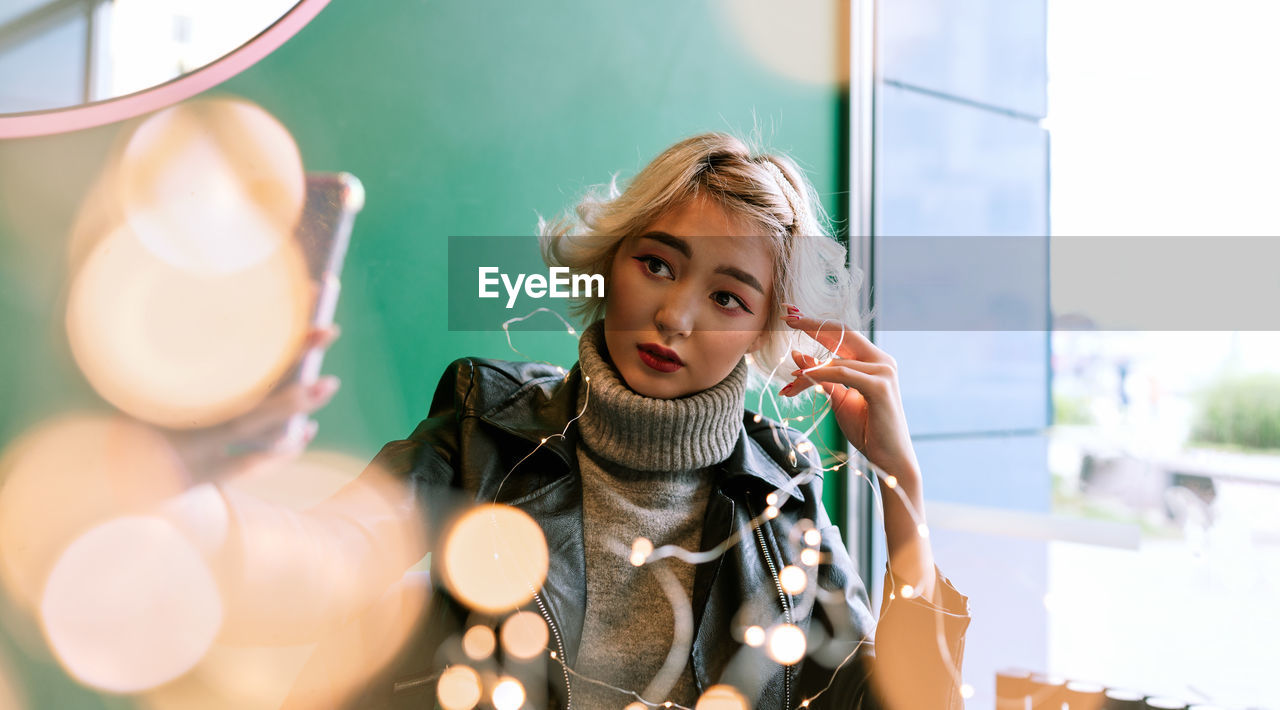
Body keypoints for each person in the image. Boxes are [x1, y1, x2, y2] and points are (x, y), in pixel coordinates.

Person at [175, 132, 970, 709]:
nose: (674, 314)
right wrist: (197, 492)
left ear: (766, 328)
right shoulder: (484, 424)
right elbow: (323, 562)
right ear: (609, 263)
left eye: (727, 296)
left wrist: (904, 490)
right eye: (655, 262)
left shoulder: (781, 492)